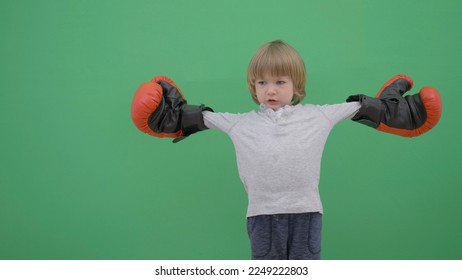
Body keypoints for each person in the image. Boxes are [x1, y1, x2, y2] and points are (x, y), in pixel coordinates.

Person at [131, 40, 442, 259]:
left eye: (280, 81)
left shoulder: (317, 115)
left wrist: (386, 110)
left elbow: (357, 108)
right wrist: (170, 116)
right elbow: (202, 118)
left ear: (296, 84)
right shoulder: (240, 123)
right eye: (262, 82)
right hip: (262, 217)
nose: (271, 90)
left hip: (306, 214)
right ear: (253, 87)